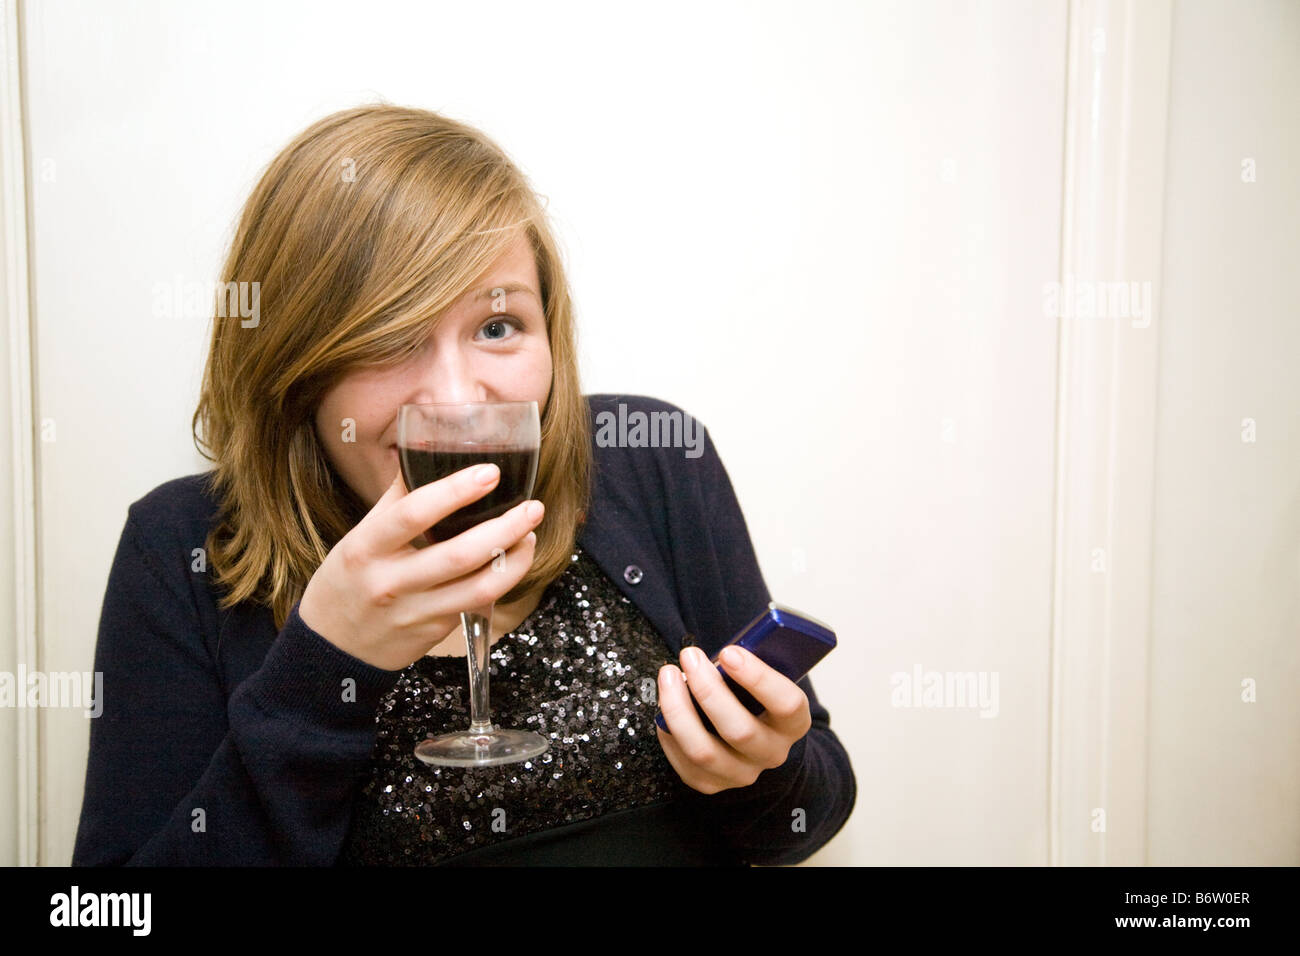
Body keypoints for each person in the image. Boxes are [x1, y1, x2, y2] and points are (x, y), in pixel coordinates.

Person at [72, 104, 856, 866]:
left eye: (497, 326)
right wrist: (324, 668)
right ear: (292, 361)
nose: (457, 398)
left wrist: (760, 767)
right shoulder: (181, 548)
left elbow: (804, 816)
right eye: (391, 336)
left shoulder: (653, 459)